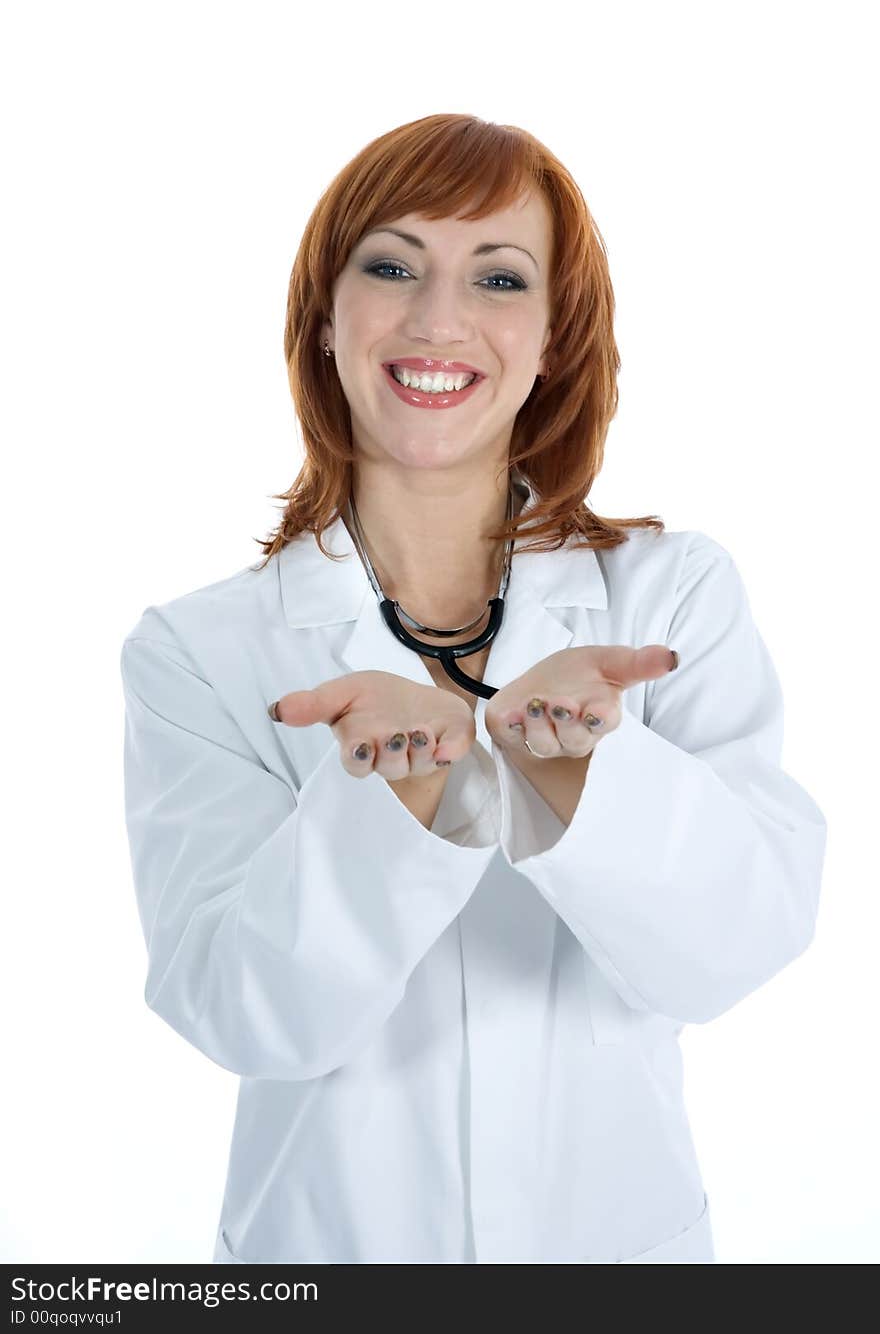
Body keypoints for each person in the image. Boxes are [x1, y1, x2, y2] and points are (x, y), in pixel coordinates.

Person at [119, 113, 827, 1264]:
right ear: (325, 320)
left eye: (498, 278)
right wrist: (390, 800)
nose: (438, 320)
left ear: (552, 337)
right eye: (391, 266)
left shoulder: (671, 598)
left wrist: (584, 769)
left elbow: (735, 949)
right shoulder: (200, 649)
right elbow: (241, 1011)